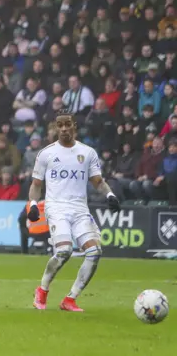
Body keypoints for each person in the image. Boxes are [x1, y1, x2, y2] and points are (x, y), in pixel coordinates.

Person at [28, 112, 121, 312]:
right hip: (57, 208)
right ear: (55, 128)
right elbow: (36, 184)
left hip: (80, 209)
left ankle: (70, 299)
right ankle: (42, 290)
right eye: (59, 125)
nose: (63, 129)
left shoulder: (87, 153)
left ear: (74, 126)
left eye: (67, 125)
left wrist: (110, 195)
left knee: (95, 252)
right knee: (64, 251)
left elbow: (98, 181)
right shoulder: (46, 153)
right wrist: (34, 204)